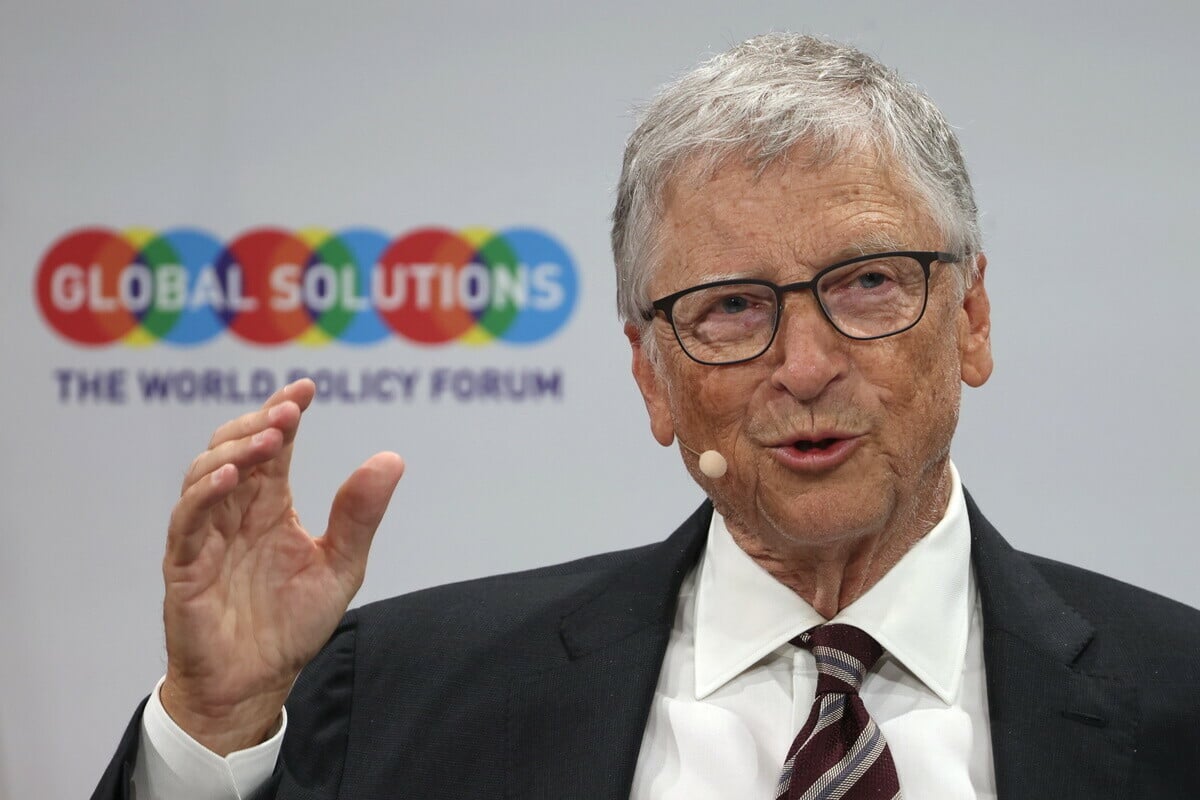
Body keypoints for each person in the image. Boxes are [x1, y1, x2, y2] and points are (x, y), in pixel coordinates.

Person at [94, 33, 1200, 799]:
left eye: (869, 283)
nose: (806, 365)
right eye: (732, 307)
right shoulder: (399, 691)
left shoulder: (1181, 695)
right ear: (652, 375)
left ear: (972, 319)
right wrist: (215, 726)